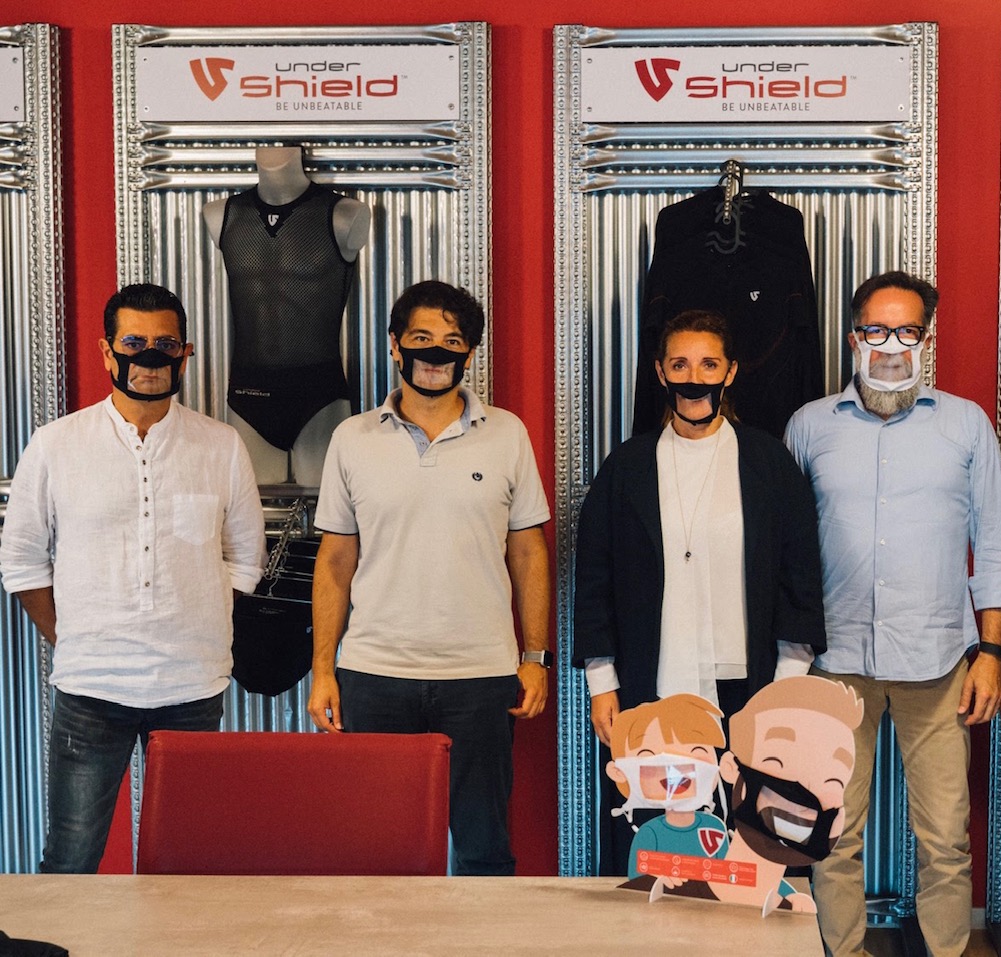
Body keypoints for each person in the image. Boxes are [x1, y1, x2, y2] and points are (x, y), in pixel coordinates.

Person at [784, 270, 1001, 957]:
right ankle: (844, 951)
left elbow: (995, 550)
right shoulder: (809, 426)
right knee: (832, 832)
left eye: (908, 330)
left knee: (945, 836)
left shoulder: (966, 424)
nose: (892, 345)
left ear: (927, 338)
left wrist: (993, 655)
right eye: (877, 330)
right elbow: (785, 552)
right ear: (854, 337)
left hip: (939, 663)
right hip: (834, 666)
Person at [0, 282, 266, 873]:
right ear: (106, 351)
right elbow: (21, 561)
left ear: (185, 354)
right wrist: (72, 638)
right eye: (134, 343)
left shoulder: (221, 447)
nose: (150, 357)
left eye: (165, 344)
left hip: (192, 688)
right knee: (70, 859)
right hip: (90, 688)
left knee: (193, 863)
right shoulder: (55, 445)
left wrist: (195, 620)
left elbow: (246, 558)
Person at [307, 279, 551, 876]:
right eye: (421, 338)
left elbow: (529, 554)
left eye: (452, 341)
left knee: (484, 851)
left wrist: (534, 658)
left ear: (470, 353)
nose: (436, 352)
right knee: (377, 853)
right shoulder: (352, 439)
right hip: (373, 676)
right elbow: (335, 562)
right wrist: (323, 670)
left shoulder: (508, 434)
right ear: (395, 345)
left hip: (481, 677)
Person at [574, 307, 826, 875]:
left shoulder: (769, 463)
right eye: (680, 364)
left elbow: (800, 577)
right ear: (660, 373)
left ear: (730, 372)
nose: (694, 378)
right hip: (648, 687)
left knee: (751, 840)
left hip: (749, 688)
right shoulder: (626, 468)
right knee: (654, 839)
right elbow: (594, 580)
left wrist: (786, 687)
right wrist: (601, 683)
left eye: (709, 364)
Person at [204, 145, 371, 486]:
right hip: (250, 393)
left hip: (318, 394)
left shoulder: (344, 214)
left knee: (330, 509)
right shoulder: (221, 213)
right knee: (252, 510)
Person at [713, 675, 864, 915]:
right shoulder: (683, 883)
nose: (803, 796)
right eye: (777, 762)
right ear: (731, 767)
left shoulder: (793, 908)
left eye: (832, 780)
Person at [604, 694, 729, 882]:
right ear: (619, 772)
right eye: (650, 756)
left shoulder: (715, 827)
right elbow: (638, 881)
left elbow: (726, 878)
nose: (676, 769)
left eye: (696, 751)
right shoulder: (649, 834)